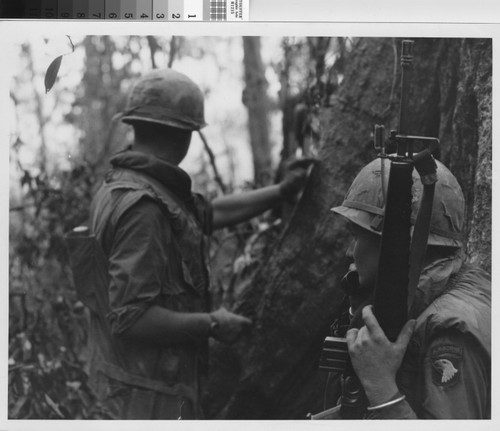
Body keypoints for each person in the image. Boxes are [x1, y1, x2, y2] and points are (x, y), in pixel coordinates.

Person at [80, 69, 314, 419]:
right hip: (145, 402)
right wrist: (212, 324)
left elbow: (208, 213)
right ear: (184, 135)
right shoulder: (143, 208)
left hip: (135, 389)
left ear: (136, 126)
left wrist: (281, 192)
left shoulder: (134, 188)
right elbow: (131, 319)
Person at [328, 156, 490, 419]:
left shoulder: (450, 330)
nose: (349, 251)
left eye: (356, 236)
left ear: (395, 247)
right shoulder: (444, 297)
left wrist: (380, 386)